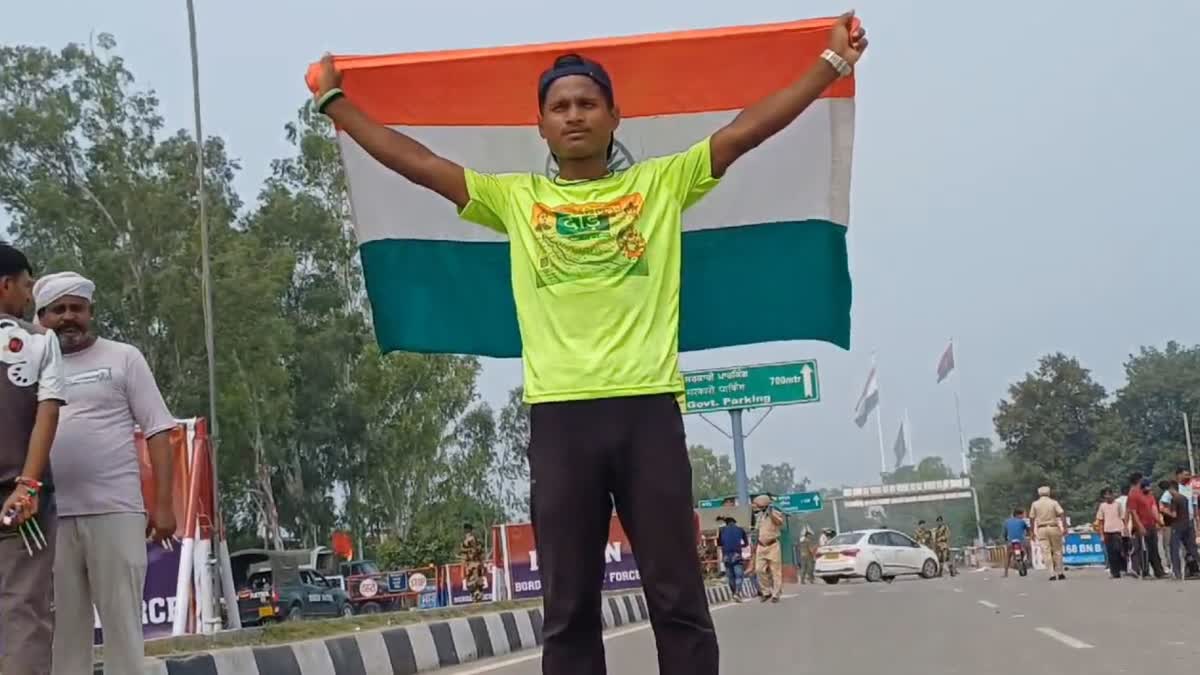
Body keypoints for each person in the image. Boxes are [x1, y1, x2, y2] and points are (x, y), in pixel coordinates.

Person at [312, 13, 867, 674]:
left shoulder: (659, 184)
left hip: (647, 413)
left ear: (613, 117)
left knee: (678, 595)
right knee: (569, 605)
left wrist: (830, 66)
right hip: (560, 419)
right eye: (559, 106)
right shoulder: (515, 200)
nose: (574, 115)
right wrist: (336, 102)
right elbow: (421, 164)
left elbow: (748, 130)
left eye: (587, 103)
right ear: (540, 125)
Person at [32, 272, 178, 675]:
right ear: (40, 317)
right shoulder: (28, 366)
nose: (68, 318)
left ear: (90, 312)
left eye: (76, 308)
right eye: (57, 310)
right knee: (63, 631)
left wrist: (164, 506)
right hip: (49, 518)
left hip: (116, 511)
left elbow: (159, 430)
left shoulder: (123, 357)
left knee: (122, 626)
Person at [0, 243, 66, 675]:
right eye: (26, 287)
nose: (29, 299)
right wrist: (29, 483)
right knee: (23, 610)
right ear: (5, 285)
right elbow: (48, 413)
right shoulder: (39, 341)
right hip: (18, 501)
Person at [1126, 475, 1165, 579]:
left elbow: (1153, 511)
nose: (1150, 487)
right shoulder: (1133, 495)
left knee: (1154, 549)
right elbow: (1133, 513)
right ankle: (1145, 572)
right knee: (1144, 550)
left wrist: (1159, 522)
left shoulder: (1150, 496)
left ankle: (1159, 571)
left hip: (1151, 525)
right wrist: (1140, 526)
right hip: (1141, 526)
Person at [1159, 480, 1198, 581]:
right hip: (1187, 524)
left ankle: (1177, 573)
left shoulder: (1175, 499)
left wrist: (1164, 510)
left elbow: (1174, 514)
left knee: (1174, 549)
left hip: (1177, 526)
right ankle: (1194, 569)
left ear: (1172, 488)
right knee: (1190, 548)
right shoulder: (1184, 498)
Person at [752, 495, 785, 603]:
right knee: (759, 569)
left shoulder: (775, 512)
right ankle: (766, 592)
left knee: (775, 571)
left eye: (757, 505)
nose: (755, 507)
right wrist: (754, 545)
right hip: (761, 546)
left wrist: (771, 513)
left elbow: (779, 522)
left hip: (773, 545)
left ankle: (776, 594)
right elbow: (757, 531)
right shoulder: (759, 516)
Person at [1030, 486, 1067, 581]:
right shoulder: (1053, 502)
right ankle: (1060, 572)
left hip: (1041, 529)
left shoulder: (1035, 504)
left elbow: (1032, 518)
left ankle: (1051, 574)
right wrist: (1065, 527)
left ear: (1039, 494)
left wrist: (1031, 532)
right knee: (1057, 551)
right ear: (1049, 493)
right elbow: (1062, 513)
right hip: (1054, 527)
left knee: (1046, 552)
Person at [1095, 488, 1125, 579]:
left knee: (1118, 550)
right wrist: (1101, 534)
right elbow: (1100, 521)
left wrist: (1125, 528)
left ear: (1112, 495)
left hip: (1117, 531)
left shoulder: (1118, 505)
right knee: (1110, 553)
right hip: (1107, 531)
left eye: (1109, 494)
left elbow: (1122, 517)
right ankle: (1114, 572)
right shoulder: (1102, 506)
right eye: (1106, 495)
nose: (1108, 497)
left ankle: (1121, 568)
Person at [717, 517, 749, 600]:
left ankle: (733, 593)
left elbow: (719, 543)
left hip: (726, 556)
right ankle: (737, 593)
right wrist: (739, 546)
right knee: (739, 576)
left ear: (726, 523)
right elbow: (746, 544)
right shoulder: (740, 529)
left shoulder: (722, 530)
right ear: (734, 522)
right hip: (737, 555)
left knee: (730, 576)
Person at [460, 523, 487, 602]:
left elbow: (480, 552)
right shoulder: (464, 542)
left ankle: (478, 595)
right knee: (471, 582)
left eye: (468, 530)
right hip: (470, 564)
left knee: (478, 580)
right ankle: (475, 596)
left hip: (476, 563)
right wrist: (464, 564)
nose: (467, 532)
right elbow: (463, 554)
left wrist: (482, 563)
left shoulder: (475, 540)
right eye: (466, 531)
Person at [1001, 508, 1030, 578]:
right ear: (1018, 515)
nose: (1023, 516)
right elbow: (1027, 530)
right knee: (1029, 548)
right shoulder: (1022, 521)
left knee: (1008, 556)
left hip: (1011, 542)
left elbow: (1004, 533)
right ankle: (1028, 559)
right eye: (1023, 514)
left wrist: (1005, 540)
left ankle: (1005, 573)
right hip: (1021, 541)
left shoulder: (1006, 522)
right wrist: (1029, 536)